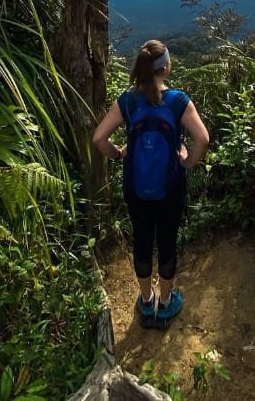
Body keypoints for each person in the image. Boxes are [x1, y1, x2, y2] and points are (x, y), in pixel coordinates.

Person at [93, 39, 209, 328]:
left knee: (143, 241)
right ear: (166, 67)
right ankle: (166, 303)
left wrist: (119, 154)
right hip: (170, 186)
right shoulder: (179, 101)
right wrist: (187, 161)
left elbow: (98, 139)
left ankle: (146, 302)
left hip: (136, 186)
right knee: (167, 242)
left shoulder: (128, 101)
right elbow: (202, 139)